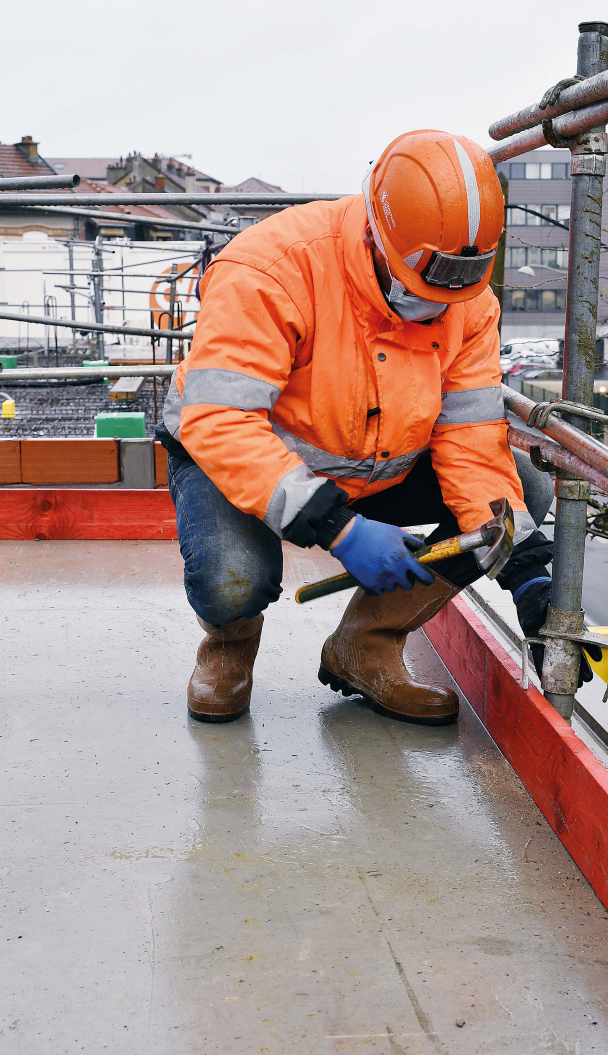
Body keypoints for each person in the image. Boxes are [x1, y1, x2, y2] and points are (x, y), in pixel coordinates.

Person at [157, 129, 583, 728]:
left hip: (376, 465)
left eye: (448, 297)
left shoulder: (467, 299)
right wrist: (339, 529)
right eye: (420, 292)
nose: (436, 310)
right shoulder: (272, 269)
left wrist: (528, 577)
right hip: (233, 457)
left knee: (525, 494)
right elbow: (222, 421)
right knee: (232, 582)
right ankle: (228, 649)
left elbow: (471, 443)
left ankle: (366, 646)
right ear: (378, 239)